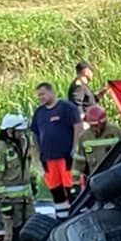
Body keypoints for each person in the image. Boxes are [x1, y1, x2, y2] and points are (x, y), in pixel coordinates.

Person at [31, 82, 82, 219]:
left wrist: (75, 148)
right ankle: (61, 218)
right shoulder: (39, 112)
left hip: (66, 157)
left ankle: (77, 216)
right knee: (56, 191)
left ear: (51, 92)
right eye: (38, 95)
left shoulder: (67, 108)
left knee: (72, 189)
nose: (40, 98)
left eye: (42, 94)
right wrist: (38, 151)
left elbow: (78, 127)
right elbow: (34, 133)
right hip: (48, 159)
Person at [0, 113, 34, 241]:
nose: (22, 134)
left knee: (29, 225)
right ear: (9, 131)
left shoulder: (24, 142)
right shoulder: (0, 149)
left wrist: (32, 182)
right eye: (19, 131)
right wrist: (4, 201)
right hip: (10, 198)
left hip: (26, 196)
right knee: (13, 229)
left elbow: (28, 166)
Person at [72, 105, 121, 191]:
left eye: (96, 126)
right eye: (91, 125)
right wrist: (75, 182)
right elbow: (79, 161)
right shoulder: (84, 137)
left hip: (116, 178)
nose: (94, 128)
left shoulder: (116, 132)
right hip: (96, 181)